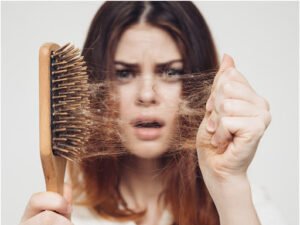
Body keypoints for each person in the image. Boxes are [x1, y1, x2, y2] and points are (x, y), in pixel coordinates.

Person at [20, 2, 273, 225]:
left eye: (170, 72)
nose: (147, 95)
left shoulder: (244, 206)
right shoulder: (60, 216)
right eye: (124, 73)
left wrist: (228, 183)